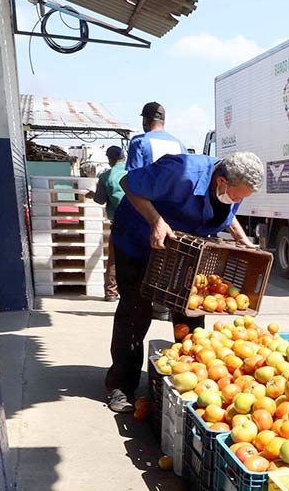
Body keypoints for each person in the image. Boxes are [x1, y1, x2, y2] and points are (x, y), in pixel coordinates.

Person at [104, 151, 263, 413]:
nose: (238, 201)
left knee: (191, 311)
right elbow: (128, 183)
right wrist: (156, 221)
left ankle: (189, 381)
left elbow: (226, 210)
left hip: (181, 250)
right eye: (237, 195)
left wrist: (240, 236)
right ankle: (121, 386)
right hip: (138, 242)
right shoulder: (182, 172)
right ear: (220, 181)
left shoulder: (231, 188)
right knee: (136, 311)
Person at [128, 102, 188, 321]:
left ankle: (149, 305)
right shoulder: (179, 144)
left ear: (145, 120)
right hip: (175, 214)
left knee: (144, 262)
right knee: (169, 261)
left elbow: (132, 181)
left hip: (148, 214)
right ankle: (165, 305)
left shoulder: (139, 142)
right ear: (164, 120)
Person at [93, 145, 127, 302]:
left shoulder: (105, 177)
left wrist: (92, 194)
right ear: (124, 157)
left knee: (114, 257)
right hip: (140, 221)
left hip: (119, 223)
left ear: (109, 159)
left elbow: (99, 199)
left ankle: (111, 292)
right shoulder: (133, 172)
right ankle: (131, 291)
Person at [127, 102, 188, 170]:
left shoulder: (139, 141)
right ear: (163, 121)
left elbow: (133, 175)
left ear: (145, 120)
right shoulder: (180, 145)